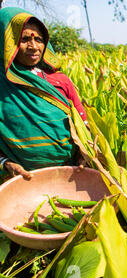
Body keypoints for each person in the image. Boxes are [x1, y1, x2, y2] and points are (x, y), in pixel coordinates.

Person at [0, 7, 88, 183]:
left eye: (39, 39)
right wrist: (5, 163)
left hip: (68, 177)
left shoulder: (60, 81)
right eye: (24, 39)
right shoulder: (3, 85)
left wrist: (84, 154)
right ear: (7, 42)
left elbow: (83, 125)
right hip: (19, 182)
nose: (34, 46)